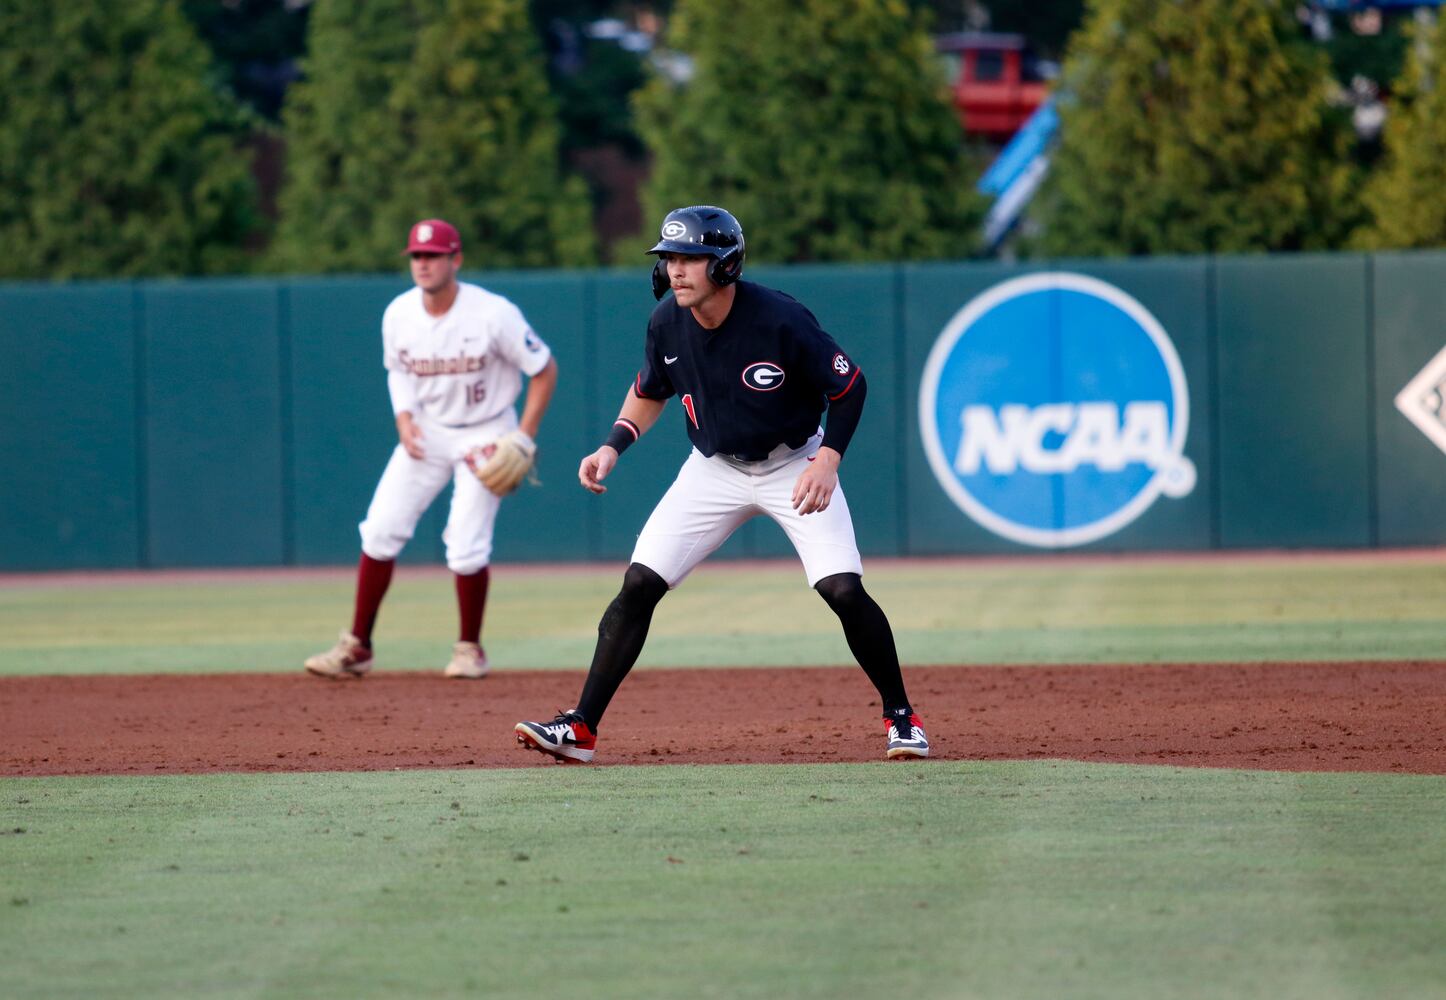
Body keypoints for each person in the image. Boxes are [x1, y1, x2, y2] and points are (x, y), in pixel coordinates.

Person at [514, 205, 927, 761]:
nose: (676, 269)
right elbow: (649, 389)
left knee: (842, 589)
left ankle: (901, 717)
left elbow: (849, 387)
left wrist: (828, 458)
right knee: (638, 585)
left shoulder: (780, 320)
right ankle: (581, 728)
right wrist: (612, 445)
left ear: (726, 265)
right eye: (670, 258)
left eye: (691, 258)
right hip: (714, 470)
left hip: (793, 464)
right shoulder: (666, 320)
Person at [305, 218, 557, 680]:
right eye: (417, 256)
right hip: (428, 430)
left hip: (486, 432)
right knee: (379, 530)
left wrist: (523, 435)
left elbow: (544, 368)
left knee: (464, 546)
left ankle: (469, 650)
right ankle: (358, 646)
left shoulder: (492, 313)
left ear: (455, 259)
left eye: (433, 255)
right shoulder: (399, 313)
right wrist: (403, 416)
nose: (423, 263)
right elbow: (397, 370)